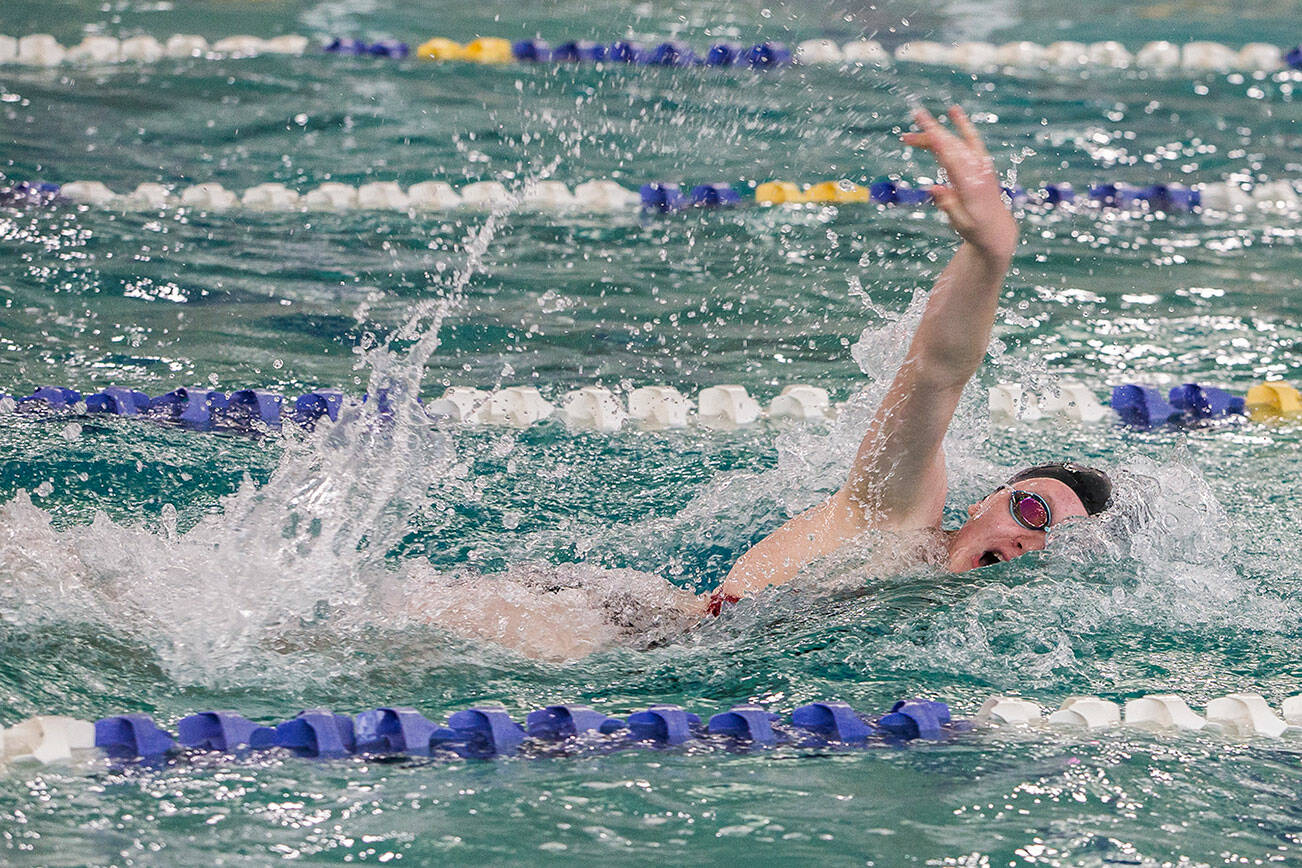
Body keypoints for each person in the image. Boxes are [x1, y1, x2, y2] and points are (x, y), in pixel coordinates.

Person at [709, 104, 1112, 612]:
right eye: (1032, 510)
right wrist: (990, 254)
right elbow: (936, 374)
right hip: (627, 629)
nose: (1027, 543)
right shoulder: (895, 519)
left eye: (1059, 541)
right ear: (982, 504)